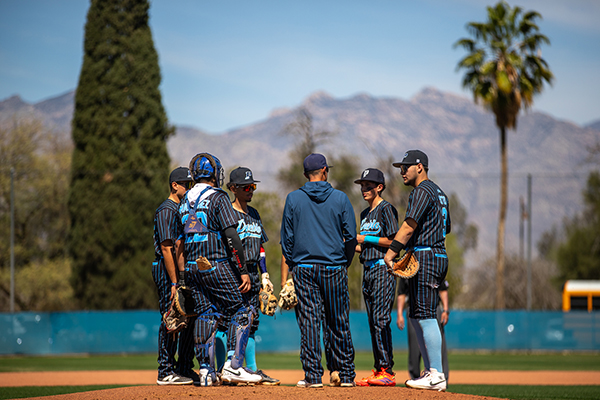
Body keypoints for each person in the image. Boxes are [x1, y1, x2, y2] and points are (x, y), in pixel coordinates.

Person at [177, 153, 262, 386]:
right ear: (214, 173)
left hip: (193, 267)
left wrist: (182, 277)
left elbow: (180, 243)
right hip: (215, 263)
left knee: (206, 314)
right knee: (242, 310)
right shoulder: (219, 197)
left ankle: (206, 370)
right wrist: (243, 269)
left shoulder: (184, 201)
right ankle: (234, 367)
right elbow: (231, 235)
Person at [280, 153, 358, 388]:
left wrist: (294, 268)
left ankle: (313, 376)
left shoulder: (293, 199)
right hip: (334, 266)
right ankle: (345, 375)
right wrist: (343, 262)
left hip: (304, 269)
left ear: (305, 175)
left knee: (310, 322)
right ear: (325, 171)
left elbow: (287, 240)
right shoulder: (340, 198)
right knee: (338, 321)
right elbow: (351, 237)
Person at [383, 149, 451, 392]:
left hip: (426, 255)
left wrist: (391, 253)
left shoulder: (421, 191)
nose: (402, 171)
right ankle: (431, 372)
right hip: (438, 254)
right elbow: (447, 228)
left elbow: (409, 226)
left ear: (420, 167)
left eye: (406, 166)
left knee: (424, 315)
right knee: (416, 315)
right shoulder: (440, 193)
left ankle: (436, 374)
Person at [214, 166, 279, 385]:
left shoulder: (254, 214)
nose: (251, 190)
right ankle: (222, 369)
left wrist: (265, 274)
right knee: (226, 322)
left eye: (253, 186)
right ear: (233, 188)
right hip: (232, 273)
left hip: (252, 272)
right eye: (246, 187)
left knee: (251, 321)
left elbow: (260, 246)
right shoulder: (227, 213)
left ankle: (250, 369)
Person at [353, 168, 399, 386]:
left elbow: (393, 242)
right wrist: (351, 245)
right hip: (368, 268)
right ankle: (379, 368)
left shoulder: (386, 209)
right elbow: (365, 247)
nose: (364, 189)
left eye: (368, 185)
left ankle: (387, 371)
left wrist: (365, 238)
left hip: (383, 269)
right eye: (362, 185)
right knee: (373, 321)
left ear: (380, 187)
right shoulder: (364, 214)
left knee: (381, 319)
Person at [152, 167, 195, 385]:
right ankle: (165, 371)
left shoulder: (181, 209)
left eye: (191, 184)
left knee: (187, 319)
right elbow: (167, 247)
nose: (188, 188)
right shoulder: (166, 210)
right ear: (174, 185)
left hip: (180, 272)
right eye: (185, 184)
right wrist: (174, 281)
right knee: (170, 317)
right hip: (165, 269)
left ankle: (184, 368)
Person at [397, 278, 450, 383]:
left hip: (433, 306)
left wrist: (445, 310)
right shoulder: (407, 266)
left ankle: (441, 376)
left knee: (438, 346)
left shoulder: (432, 264)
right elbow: (401, 293)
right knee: (414, 346)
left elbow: (443, 289)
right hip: (413, 307)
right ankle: (416, 377)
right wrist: (399, 314)